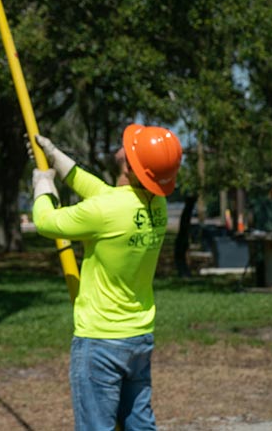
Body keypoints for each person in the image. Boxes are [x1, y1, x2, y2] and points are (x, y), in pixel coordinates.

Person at [30, 125, 182, 431]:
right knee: (139, 424)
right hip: (138, 336)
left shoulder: (106, 211)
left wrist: (42, 187)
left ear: (131, 166)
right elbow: (100, 191)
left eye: (131, 148)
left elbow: (45, 222)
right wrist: (55, 156)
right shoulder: (158, 205)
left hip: (101, 342)